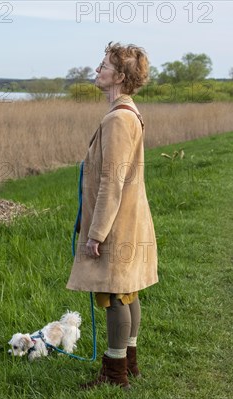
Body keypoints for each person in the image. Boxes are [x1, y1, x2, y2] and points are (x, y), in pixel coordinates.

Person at [66, 42, 158, 390]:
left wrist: (96, 234)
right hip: (129, 218)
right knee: (127, 290)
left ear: (120, 76)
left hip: (117, 223)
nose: (97, 70)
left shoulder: (119, 118)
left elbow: (112, 180)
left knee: (116, 294)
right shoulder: (126, 112)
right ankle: (129, 363)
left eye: (103, 65)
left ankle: (115, 372)